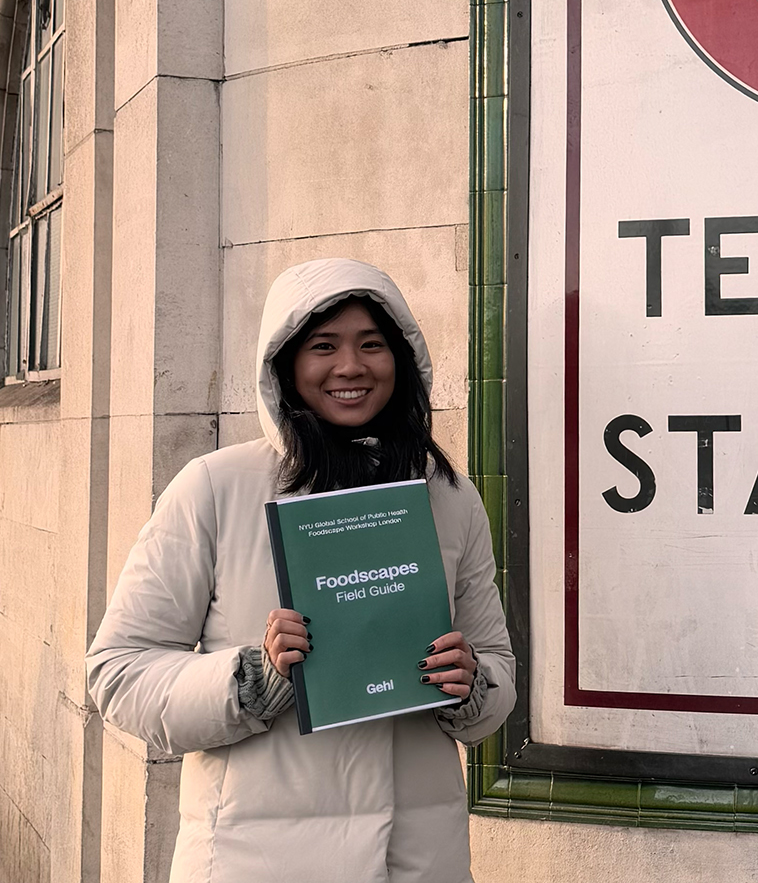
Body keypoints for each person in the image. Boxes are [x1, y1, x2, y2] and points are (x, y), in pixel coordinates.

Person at [87, 258, 514, 883]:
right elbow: (118, 673)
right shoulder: (216, 489)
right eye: (323, 346)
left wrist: (471, 683)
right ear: (285, 365)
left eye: (372, 344)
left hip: (419, 862)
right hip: (255, 862)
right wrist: (251, 681)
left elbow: (496, 666)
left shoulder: (448, 498)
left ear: (402, 358)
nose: (351, 366)